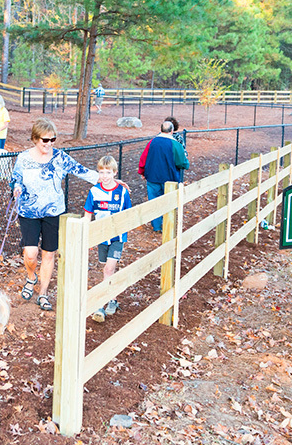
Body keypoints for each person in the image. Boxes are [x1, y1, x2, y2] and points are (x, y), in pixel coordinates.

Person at [10, 118, 100, 311]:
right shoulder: (24, 158)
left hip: (53, 212)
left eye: (53, 140)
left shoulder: (60, 157)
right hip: (28, 211)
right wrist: (16, 187)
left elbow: (82, 171)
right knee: (31, 253)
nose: (49, 144)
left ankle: (43, 293)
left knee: (49, 254)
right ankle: (31, 277)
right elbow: (15, 178)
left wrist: (109, 181)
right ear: (35, 138)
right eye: (45, 140)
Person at [83, 156, 132, 322]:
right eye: (101, 172)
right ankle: (113, 297)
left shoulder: (122, 191)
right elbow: (88, 213)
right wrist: (86, 234)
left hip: (117, 236)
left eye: (108, 172)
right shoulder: (94, 191)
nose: (105, 176)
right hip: (101, 237)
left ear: (115, 173)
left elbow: (128, 213)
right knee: (106, 268)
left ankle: (103, 303)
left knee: (108, 269)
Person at [138, 119, 190, 232]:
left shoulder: (152, 142)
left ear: (161, 130)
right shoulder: (175, 144)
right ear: (172, 131)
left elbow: (143, 158)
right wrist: (186, 164)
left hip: (152, 177)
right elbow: (182, 162)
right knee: (169, 201)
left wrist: (142, 172)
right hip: (169, 178)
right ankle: (167, 226)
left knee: (154, 201)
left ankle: (157, 226)